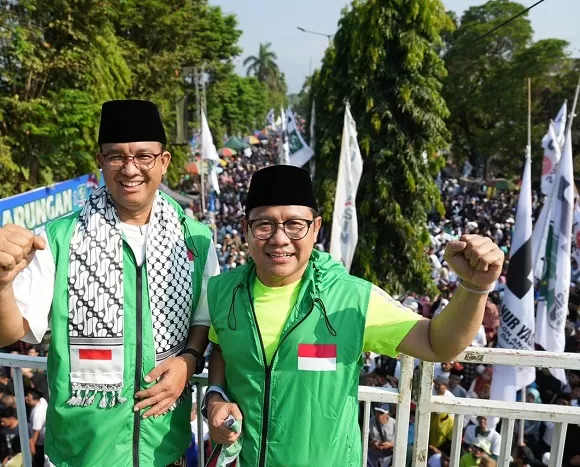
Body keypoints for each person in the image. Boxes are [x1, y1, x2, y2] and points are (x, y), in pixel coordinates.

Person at [203, 165, 504, 466]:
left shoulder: (353, 300)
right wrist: (215, 396)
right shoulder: (222, 292)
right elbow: (221, 348)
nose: (279, 239)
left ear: (316, 227)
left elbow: (438, 344)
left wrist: (475, 288)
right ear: (246, 228)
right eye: (264, 225)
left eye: (295, 224)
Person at [0, 100, 218, 467]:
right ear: (101, 160)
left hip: (164, 450)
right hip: (82, 453)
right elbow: (4, 334)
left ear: (164, 161)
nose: (130, 169)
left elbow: (204, 317)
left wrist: (188, 360)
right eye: (116, 157)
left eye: (143, 156)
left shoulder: (195, 240)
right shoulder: (59, 239)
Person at [26, 387, 48, 467]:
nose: (26, 400)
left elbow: (36, 433)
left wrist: (33, 447)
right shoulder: (42, 401)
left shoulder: (38, 414)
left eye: (29, 400)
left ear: (36, 399)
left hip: (41, 441)